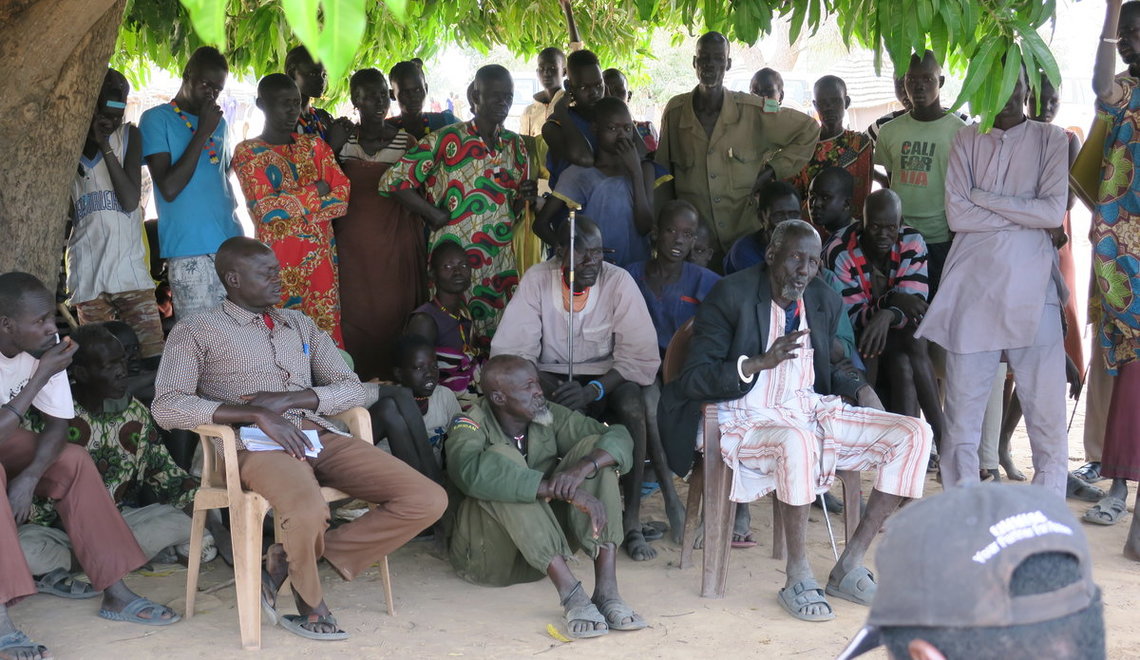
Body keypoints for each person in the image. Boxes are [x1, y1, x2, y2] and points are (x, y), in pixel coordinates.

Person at [151, 237, 447, 641]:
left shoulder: (299, 324)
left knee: (427, 499)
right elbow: (167, 405)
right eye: (266, 272)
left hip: (316, 435)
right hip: (252, 444)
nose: (279, 278)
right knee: (306, 511)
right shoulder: (196, 331)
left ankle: (291, 562)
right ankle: (311, 601)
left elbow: (353, 389)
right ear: (233, 280)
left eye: (277, 269)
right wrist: (256, 413)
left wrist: (295, 398)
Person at [664, 220, 932, 622]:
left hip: (806, 408)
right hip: (743, 416)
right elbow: (695, 376)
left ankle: (850, 565)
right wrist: (758, 362)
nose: (804, 269)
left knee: (913, 432)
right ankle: (798, 575)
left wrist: (863, 392)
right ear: (772, 255)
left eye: (812, 260)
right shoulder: (731, 294)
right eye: (795, 258)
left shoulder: (822, 299)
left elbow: (833, 364)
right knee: (799, 442)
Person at [1, 272, 181, 660]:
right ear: (6, 325)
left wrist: (31, 477)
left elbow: (58, 425)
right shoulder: (43, 363)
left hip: (8, 441)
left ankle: (115, 593)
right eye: (41, 322)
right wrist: (41, 375)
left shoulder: (42, 352)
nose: (52, 328)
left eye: (52, 317)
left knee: (73, 460)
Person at [915, 66, 1069, 497]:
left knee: (1046, 418)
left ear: (1027, 89)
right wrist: (1022, 212)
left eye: (1012, 85)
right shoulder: (966, 138)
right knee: (962, 416)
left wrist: (982, 198)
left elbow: (1052, 213)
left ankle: (1049, 510)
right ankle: (961, 506)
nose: (1004, 95)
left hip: (1034, 290)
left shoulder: (1052, 140)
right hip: (973, 290)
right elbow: (956, 216)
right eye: (994, 84)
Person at [490, 217, 681, 562]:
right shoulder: (537, 280)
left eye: (598, 254)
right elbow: (514, 354)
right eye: (583, 255)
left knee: (635, 407)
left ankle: (632, 520)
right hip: (548, 378)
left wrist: (593, 390)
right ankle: (553, 514)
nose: (593, 263)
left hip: (607, 379)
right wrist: (551, 389)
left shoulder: (618, 282)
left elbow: (638, 356)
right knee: (530, 409)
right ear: (560, 252)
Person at [446, 354, 647, 638]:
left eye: (536, 383)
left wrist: (582, 469)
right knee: (502, 463)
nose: (538, 391)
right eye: (527, 387)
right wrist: (554, 487)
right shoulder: (469, 423)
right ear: (499, 398)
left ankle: (607, 591)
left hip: (539, 560)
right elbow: (470, 472)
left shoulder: (546, 414)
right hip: (488, 559)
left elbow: (619, 435)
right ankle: (572, 595)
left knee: (596, 452)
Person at [18, 324, 225, 581]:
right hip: (56, 530)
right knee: (23, 551)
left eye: (122, 362)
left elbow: (165, 473)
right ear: (81, 372)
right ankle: (110, 559)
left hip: (116, 524)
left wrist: (209, 516)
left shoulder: (135, 413)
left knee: (192, 516)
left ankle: (96, 561)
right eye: (109, 366)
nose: (122, 372)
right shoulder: (48, 414)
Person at [383, 65, 537, 352]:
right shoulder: (446, 139)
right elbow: (393, 181)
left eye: (508, 96)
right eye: (495, 95)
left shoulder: (516, 146)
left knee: (498, 343)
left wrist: (523, 199)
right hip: (453, 262)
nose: (503, 102)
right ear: (474, 95)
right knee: (452, 341)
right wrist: (431, 213)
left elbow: (511, 208)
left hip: (497, 265)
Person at [656, 32, 819, 257]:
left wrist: (771, 171)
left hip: (745, 241)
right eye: (704, 58)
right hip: (696, 246)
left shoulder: (754, 110)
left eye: (718, 58)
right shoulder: (675, 112)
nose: (710, 65)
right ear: (694, 63)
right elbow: (663, 176)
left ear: (728, 63)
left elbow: (809, 129)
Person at [824, 189, 944, 458]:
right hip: (857, 336)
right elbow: (852, 316)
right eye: (874, 227)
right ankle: (936, 439)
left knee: (909, 349)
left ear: (900, 225)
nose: (882, 234)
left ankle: (922, 443)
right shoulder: (839, 250)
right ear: (862, 222)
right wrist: (892, 302)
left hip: (899, 334)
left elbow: (915, 306)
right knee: (907, 350)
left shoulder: (912, 241)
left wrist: (887, 313)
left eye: (890, 227)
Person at [233, 74, 350, 346]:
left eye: (295, 103)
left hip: (320, 266)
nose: (291, 111)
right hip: (275, 266)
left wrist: (289, 204)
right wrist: (318, 189)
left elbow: (341, 199)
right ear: (261, 104)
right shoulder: (247, 152)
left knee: (324, 340)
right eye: (282, 103)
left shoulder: (316, 146)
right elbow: (265, 210)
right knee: (280, 340)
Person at [1083, 0, 1140, 558]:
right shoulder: (1122, 88)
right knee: (1126, 368)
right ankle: (1119, 487)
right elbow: (1101, 85)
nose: (1127, 41)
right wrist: (1110, 16)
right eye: (1124, 34)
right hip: (1120, 253)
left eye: (1133, 33)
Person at [330, 68, 425, 380]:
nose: (379, 101)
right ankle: (356, 386)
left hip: (394, 244)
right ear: (355, 100)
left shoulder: (407, 143)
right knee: (354, 313)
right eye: (369, 96)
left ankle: (395, 383)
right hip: (351, 247)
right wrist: (331, 147)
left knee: (393, 312)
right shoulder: (343, 143)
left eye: (383, 93)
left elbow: (420, 189)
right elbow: (324, 184)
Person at [67, 68, 166, 368]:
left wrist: (105, 144)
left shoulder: (127, 136)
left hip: (130, 274)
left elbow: (128, 200)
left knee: (152, 358)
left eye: (119, 109)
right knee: (99, 363)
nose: (113, 118)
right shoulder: (68, 146)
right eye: (106, 109)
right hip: (87, 276)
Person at [139, 46, 242, 320]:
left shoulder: (218, 124)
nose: (211, 93)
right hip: (188, 249)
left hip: (230, 242)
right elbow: (169, 188)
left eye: (217, 89)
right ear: (187, 75)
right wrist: (202, 132)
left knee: (239, 334)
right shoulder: (156, 119)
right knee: (203, 339)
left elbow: (218, 174)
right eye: (205, 84)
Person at [874, 51, 967, 296]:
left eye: (927, 79)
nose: (918, 86)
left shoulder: (960, 132)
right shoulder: (889, 132)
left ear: (941, 82)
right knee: (900, 309)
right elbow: (892, 179)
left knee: (937, 310)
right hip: (898, 235)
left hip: (940, 238)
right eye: (911, 79)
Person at [535, 97, 668, 267]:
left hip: (635, 271)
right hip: (593, 273)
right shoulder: (579, 174)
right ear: (595, 129)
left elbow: (644, 226)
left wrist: (636, 172)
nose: (622, 135)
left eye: (627, 128)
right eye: (612, 128)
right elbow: (541, 224)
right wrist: (572, 253)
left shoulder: (645, 169)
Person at [625, 200, 721, 355]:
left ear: (693, 241)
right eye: (671, 230)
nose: (679, 240)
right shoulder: (630, 276)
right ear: (656, 233)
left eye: (687, 234)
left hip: (682, 368)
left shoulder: (706, 281)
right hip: (636, 364)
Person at [790, 76, 873, 223]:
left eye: (835, 101)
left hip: (847, 231)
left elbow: (863, 192)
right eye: (823, 103)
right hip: (809, 228)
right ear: (815, 106)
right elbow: (794, 192)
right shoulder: (803, 145)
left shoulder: (860, 144)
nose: (828, 107)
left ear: (846, 102)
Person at [406, 241, 481, 400]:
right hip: (440, 401)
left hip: (470, 393)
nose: (458, 272)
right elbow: (418, 379)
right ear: (432, 275)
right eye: (447, 267)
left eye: (463, 266)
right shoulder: (425, 320)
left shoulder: (464, 313)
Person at [389, 334, 461, 467]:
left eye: (434, 367)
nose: (430, 374)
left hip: (435, 480)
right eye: (418, 367)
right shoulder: (389, 406)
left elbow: (460, 438)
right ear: (399, 374)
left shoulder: (444, 396)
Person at [543, 49, 606, 190]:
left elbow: (641, 155)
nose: (594, 93)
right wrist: (562, 113)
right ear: (569, 87)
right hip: (568, 208)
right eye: (584, 87)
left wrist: (618, 105)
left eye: (599, 85)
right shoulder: (554, 126)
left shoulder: (608, 119)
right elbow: (584, 158)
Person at [722, 181, 801, 275]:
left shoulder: (803, 245)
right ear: (761, 218)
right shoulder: (744, 251)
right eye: (779, 216)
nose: (788, 223)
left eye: (794, 215)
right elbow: (772, 286)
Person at [386, 60, 459, 141]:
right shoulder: (383, 130)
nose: (413, 97)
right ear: (392, 95)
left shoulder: (446, 122)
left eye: (417, 90)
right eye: (405, 92)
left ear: (426, 89)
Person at [602, 68, 659, 153]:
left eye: (618, 91)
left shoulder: (647, 129)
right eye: (605, 92)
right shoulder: (595, 130)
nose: (612, 96)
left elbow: (650, 158)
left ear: (629, 96)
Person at [284, 46, 333, 142]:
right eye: (313, 74)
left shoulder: (323, 117)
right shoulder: (282, 121)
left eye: (324, 75)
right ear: (292, 74)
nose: (321, 81)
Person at [520, 47, 567, 138]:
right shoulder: (528, 112)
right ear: (537, 72)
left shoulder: (570, 103)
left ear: (564, 72)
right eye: (541, 68)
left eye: (553, 68)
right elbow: (524, 146)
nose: (546, 73)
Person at [807, 166, 856, 241]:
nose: (815, 204)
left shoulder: (854, 242)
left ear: (846, 204)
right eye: (812, 196)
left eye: (825, 197)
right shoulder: (824, 237)